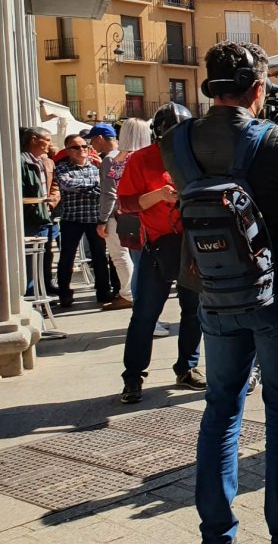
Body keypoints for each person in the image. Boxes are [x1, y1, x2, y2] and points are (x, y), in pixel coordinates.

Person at [163, 43, 278, 544]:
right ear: (258, 88)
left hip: (214, 290)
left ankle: (217, 534)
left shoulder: (176, 140)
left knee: (221, 408)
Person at [118, 104, 206, 403]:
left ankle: (187, 368)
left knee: (193, 311)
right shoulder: (141, 159)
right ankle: (133, 377)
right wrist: (157, 195)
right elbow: (126, 204)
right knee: (144, 314)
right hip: (157, 245)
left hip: (191, 246)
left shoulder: (196, 157)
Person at [55, 132, 111, 308]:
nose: (81, 150)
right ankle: (64, 292)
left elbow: (104, 188)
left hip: (95, 218)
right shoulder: (62, 168)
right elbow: (67, 184)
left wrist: (90, 188)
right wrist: (93, 187)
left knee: (100, 257)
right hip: (72, 218)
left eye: (84, 146)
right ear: (68, 150)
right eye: (76, 147)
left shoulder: (97, 167)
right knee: (67, 257)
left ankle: (103, 291)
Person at [90, 122, 135, 312]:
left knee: (119, 255)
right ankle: (130, 292)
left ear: (100, 138)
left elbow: (109, 193)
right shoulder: (131, 155)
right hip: (133, 211)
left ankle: (128, 294)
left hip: (115, 214)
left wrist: (102, 220)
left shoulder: (110, 159)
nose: (91, 145)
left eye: (92, 140)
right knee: (131, 255)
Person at [20, 127, 55, 297]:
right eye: (47, 140)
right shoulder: (21, 161)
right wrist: (37, 203)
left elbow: (52, 184)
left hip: (45, 214)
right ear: (34, 140)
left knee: (43, 257)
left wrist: (53, 198)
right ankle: (31, 294)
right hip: (30, 217)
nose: (50, 144)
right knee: (30, 261)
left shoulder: (44, 161)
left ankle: (41, 290)